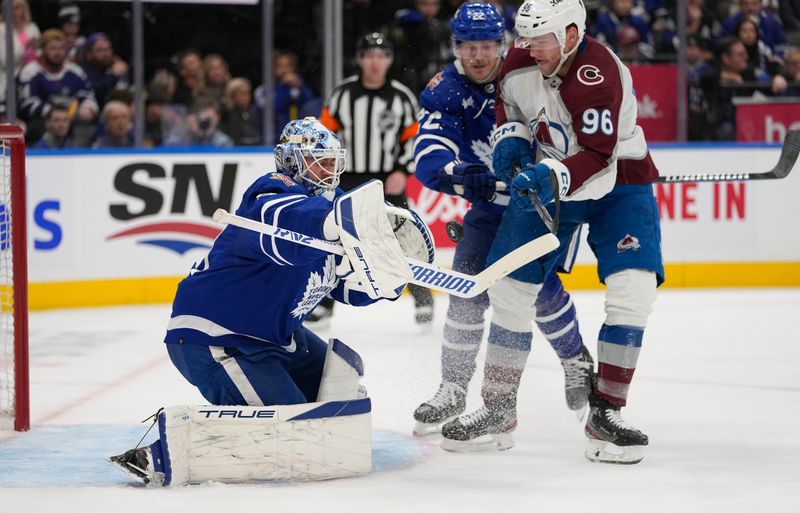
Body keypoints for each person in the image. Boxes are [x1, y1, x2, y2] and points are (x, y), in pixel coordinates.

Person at [109, 117, 435, 486]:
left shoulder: (327, 218)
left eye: (333, 161)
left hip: (275, 337)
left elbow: (344, 286)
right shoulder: (270, 193)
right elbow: (288, 227)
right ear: (292, 161)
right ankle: (163, 453)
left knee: (342, 377)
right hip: (216, 338)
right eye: (319, 161)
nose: (329, 170)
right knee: (293, 431)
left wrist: (389, 279)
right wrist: (339, 220)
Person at [453, 0, 664, 464]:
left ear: (571, 34)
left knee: (634, 289)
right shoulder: (519, 61)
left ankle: (606, 413)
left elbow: (597, 154)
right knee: (509, 287)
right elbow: (509, 108)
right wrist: (510, 140)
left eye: (541, 39)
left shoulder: (597, 73)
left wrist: (548, 175)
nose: (529, 48)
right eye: (525, 38)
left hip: (617, 181)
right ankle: (498, 409)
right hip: (547, 176)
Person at [411, 2, 592, 445]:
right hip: (491, 209)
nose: (478, 56)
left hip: (541, 206)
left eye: (487, 45)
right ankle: (454, 388)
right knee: (466, 289)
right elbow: (429, 151)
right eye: (469, 47)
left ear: (503, 43)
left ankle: (575, 359)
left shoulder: (529, 72)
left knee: (538, 294)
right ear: (456, 47)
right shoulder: (446, 89)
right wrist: (456, 174)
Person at [315, 32, 434, 330]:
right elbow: (325, 138)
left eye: (381, 56)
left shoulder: (401, 97)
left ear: (390, 60)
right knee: (335, 239)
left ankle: (422, 298)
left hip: (388, 177)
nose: (374, 62)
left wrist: (402, 171)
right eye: (369, 55)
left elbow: (412, 139)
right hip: (348, 177)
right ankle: (324, 303)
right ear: (359, 59)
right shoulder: (342, 94)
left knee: (404, 238)